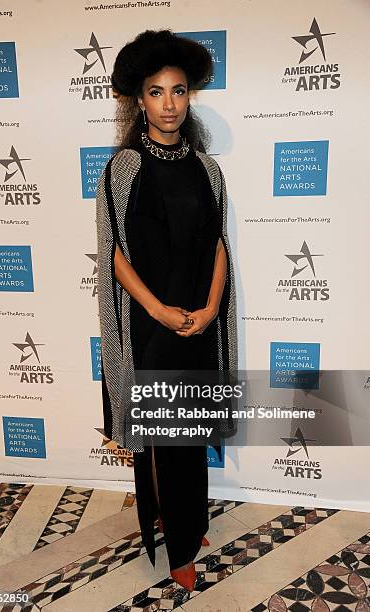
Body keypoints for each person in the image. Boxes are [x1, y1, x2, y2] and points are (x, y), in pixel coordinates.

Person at [96, 29, 238, 592]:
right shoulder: (124, 168)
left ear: (189, 98)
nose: (170, 103)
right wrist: (157, 310)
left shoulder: (208, 169)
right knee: (167, 441)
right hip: (151, 326)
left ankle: (187, 519)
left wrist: (209, 309)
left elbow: (219, 245)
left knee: (188, 434)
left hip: (197, 324)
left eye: (178, 91)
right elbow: (116, 256)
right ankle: (178, 546)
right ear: (140, 101)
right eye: (157, 92)